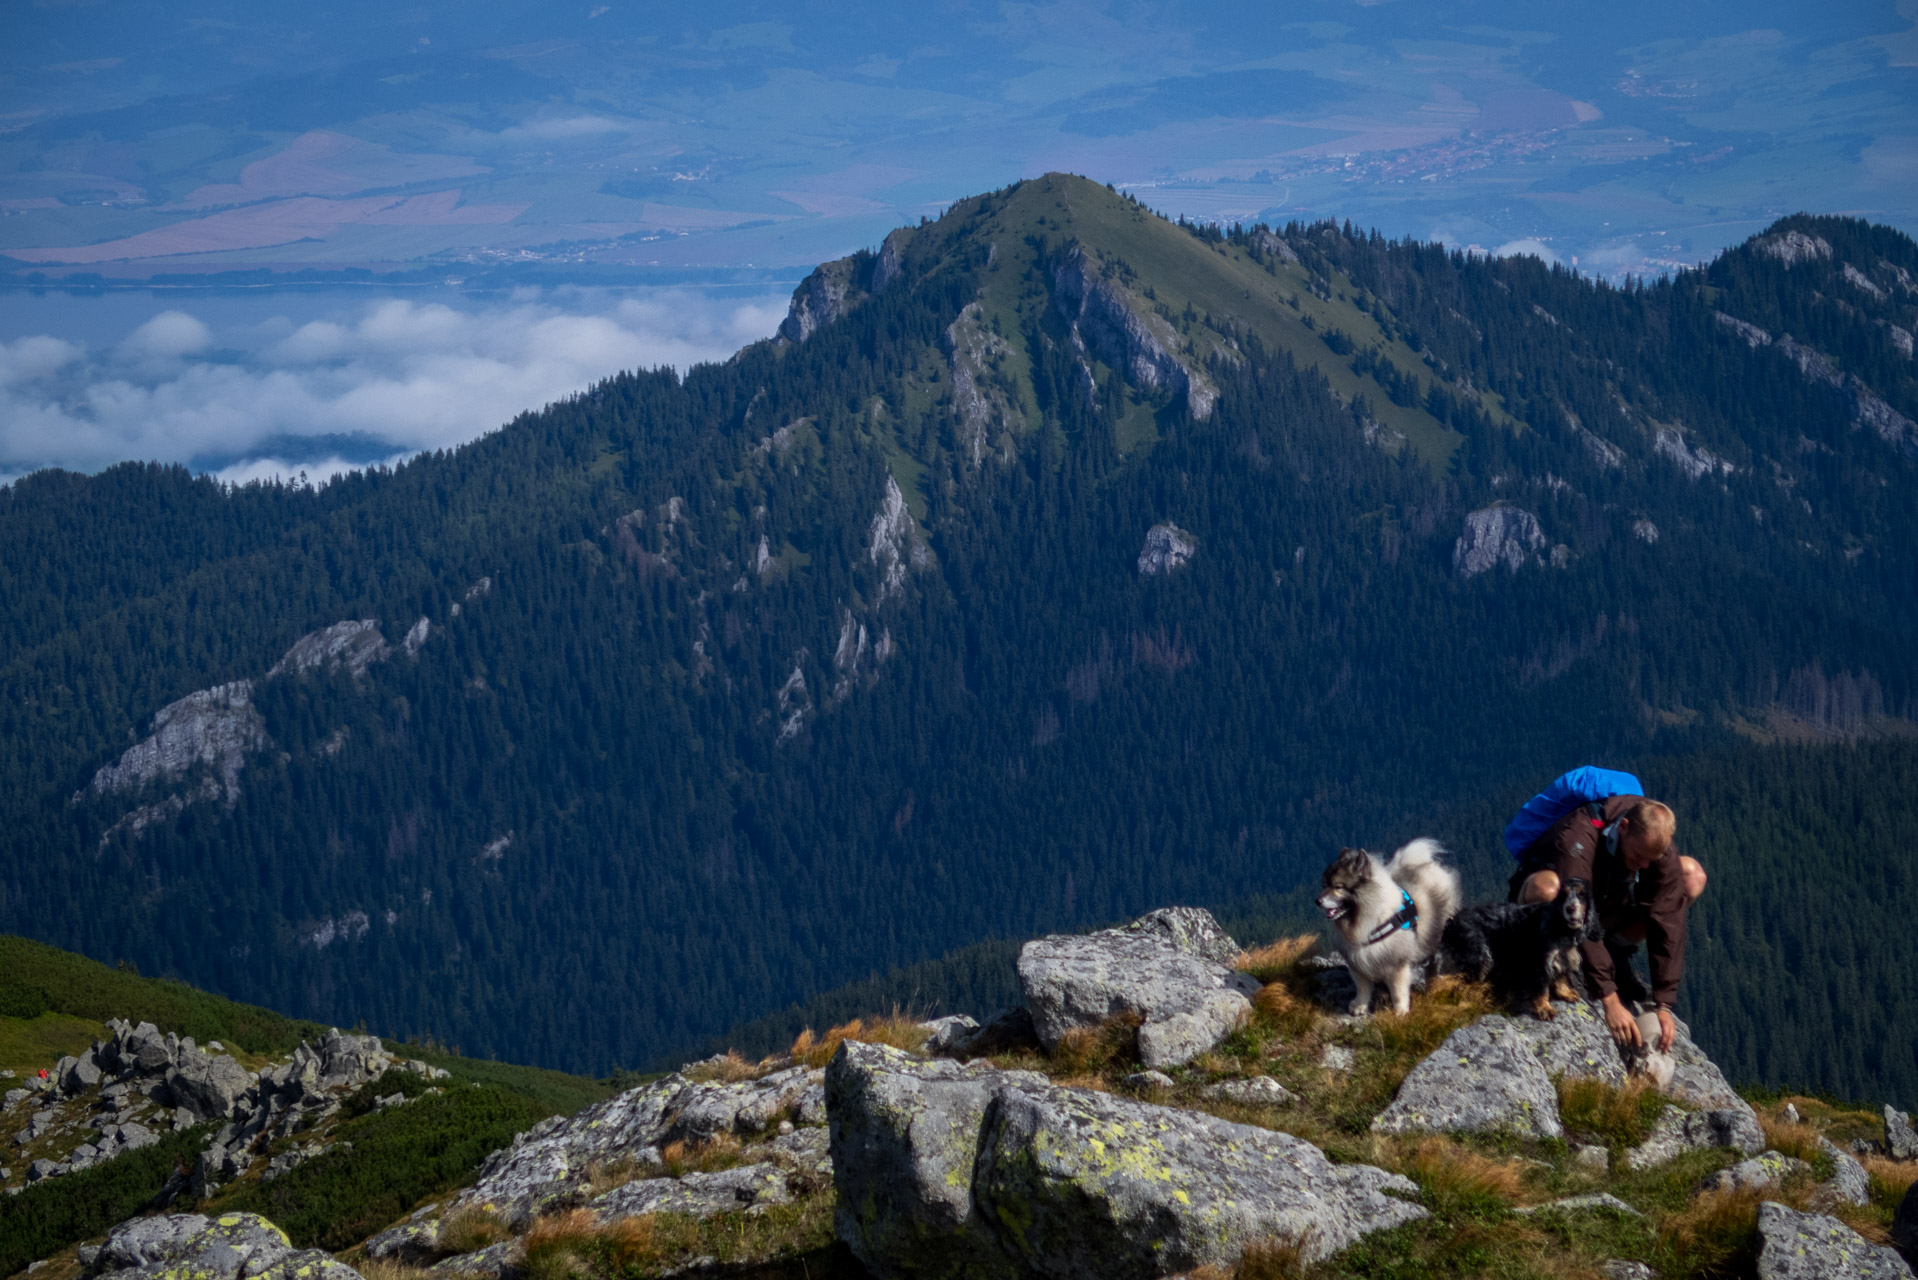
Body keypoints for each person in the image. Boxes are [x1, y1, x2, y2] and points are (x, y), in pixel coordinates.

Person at [1508, 795, 1707, 1055]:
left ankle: (1616, 955)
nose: (1645, 865)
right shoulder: (1579, 835)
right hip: (1555, 912)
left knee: (1690, 874)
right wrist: (1609, 998)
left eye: (1651, 860)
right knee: (1549, 889)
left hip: (1606, 909)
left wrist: (1664, 1004)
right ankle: (1540, 960)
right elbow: (1578, 912)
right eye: (1639, 855)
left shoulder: (1654, 846)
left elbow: (1667, 921)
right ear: (1623, 827)